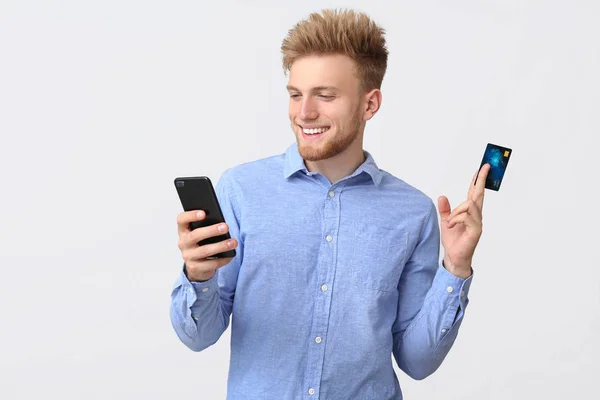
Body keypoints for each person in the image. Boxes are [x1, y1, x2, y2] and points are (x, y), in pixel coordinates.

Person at [170, 8, 490, 400]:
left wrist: (455, 268)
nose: (304, 113)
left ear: (370, 104)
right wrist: (197, 276)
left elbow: (417, 362)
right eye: (295, 94)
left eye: (325, 95)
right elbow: (198, 337)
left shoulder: (413, 212)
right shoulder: (241, 190)